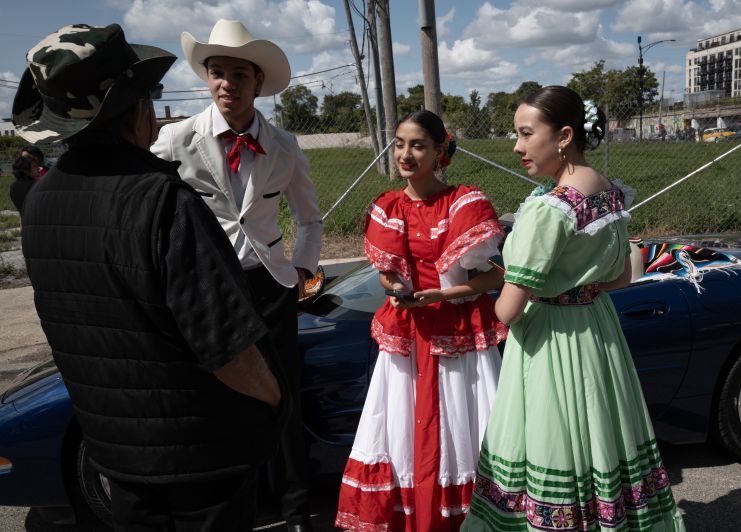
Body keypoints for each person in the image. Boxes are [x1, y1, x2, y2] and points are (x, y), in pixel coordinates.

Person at [13, 23, 289, 531]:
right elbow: (228, 348)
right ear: (134, 109)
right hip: (204, 464)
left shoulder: (40, 202)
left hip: (117, 455)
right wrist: (274, 397)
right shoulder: (161, 201)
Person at [461, 86, 685, 531]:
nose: (517, 146)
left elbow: (506, 311)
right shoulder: (609, 194)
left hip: (550, 339)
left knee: (552, 441)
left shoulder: (550, 209)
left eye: (527, 134)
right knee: (600, 439)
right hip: (597, 332)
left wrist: (494, 277)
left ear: (564, 135)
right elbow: (621, 277)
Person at [151, 19, 322, 532]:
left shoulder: (285, 145)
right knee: (221, 397)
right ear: (208, 79)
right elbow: (144, 202)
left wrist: (304, 268)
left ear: (257, 83)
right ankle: (234, 506)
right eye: (217, 72)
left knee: (282, 397)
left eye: (238, 75)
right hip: (206, 288)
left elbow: (310, 218)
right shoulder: (176, 140)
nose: (227, 84)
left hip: (270, 284)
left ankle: (295, 508)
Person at [335, 110, 508, 531]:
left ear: (439, 151)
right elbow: (384, 269)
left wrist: (442, 294)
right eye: (399, 143)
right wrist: (392, 283)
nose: (405, 154)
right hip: (408, 337)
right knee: (399, 433)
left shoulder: (464, 203)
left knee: (461, 431)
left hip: (455, 339)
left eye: (417, 145)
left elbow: (494, 276)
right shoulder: (388, 206)